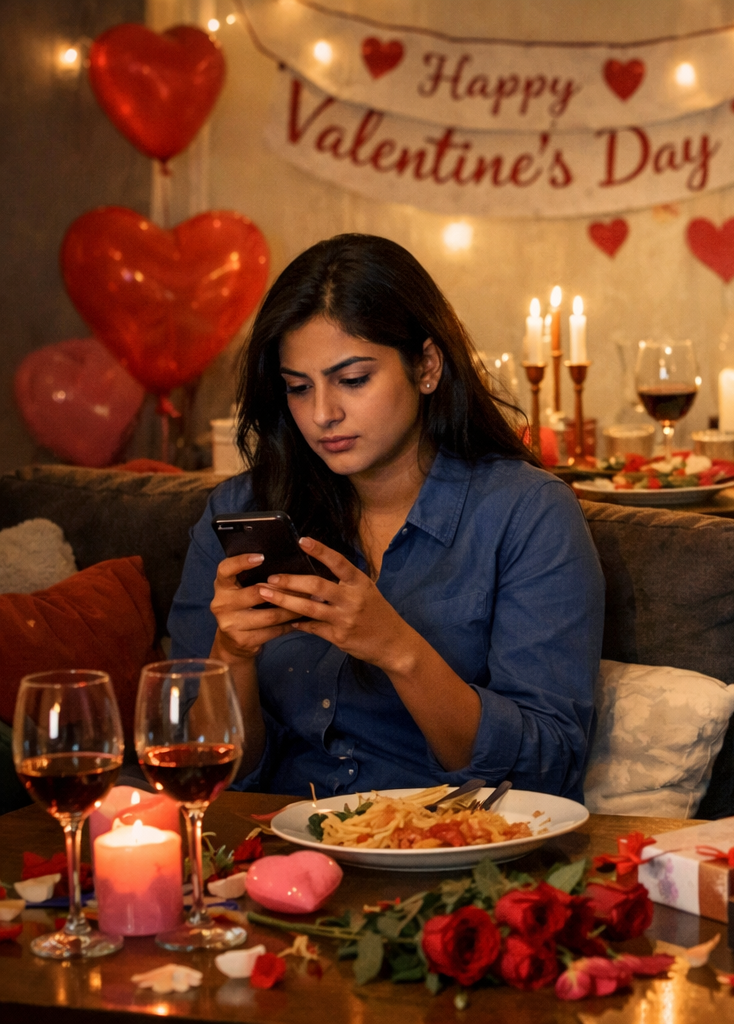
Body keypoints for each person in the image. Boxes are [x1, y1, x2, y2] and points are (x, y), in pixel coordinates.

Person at [169, 233, 604, 800]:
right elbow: (195, 772)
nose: (324, 413)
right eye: (299, 389)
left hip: (446, 846)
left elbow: (545, 769)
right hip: (272, 846)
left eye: (353, 380)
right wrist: (232, 655)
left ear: (426, 366)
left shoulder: (526, 514)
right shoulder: (238, 513)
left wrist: (398, 649)